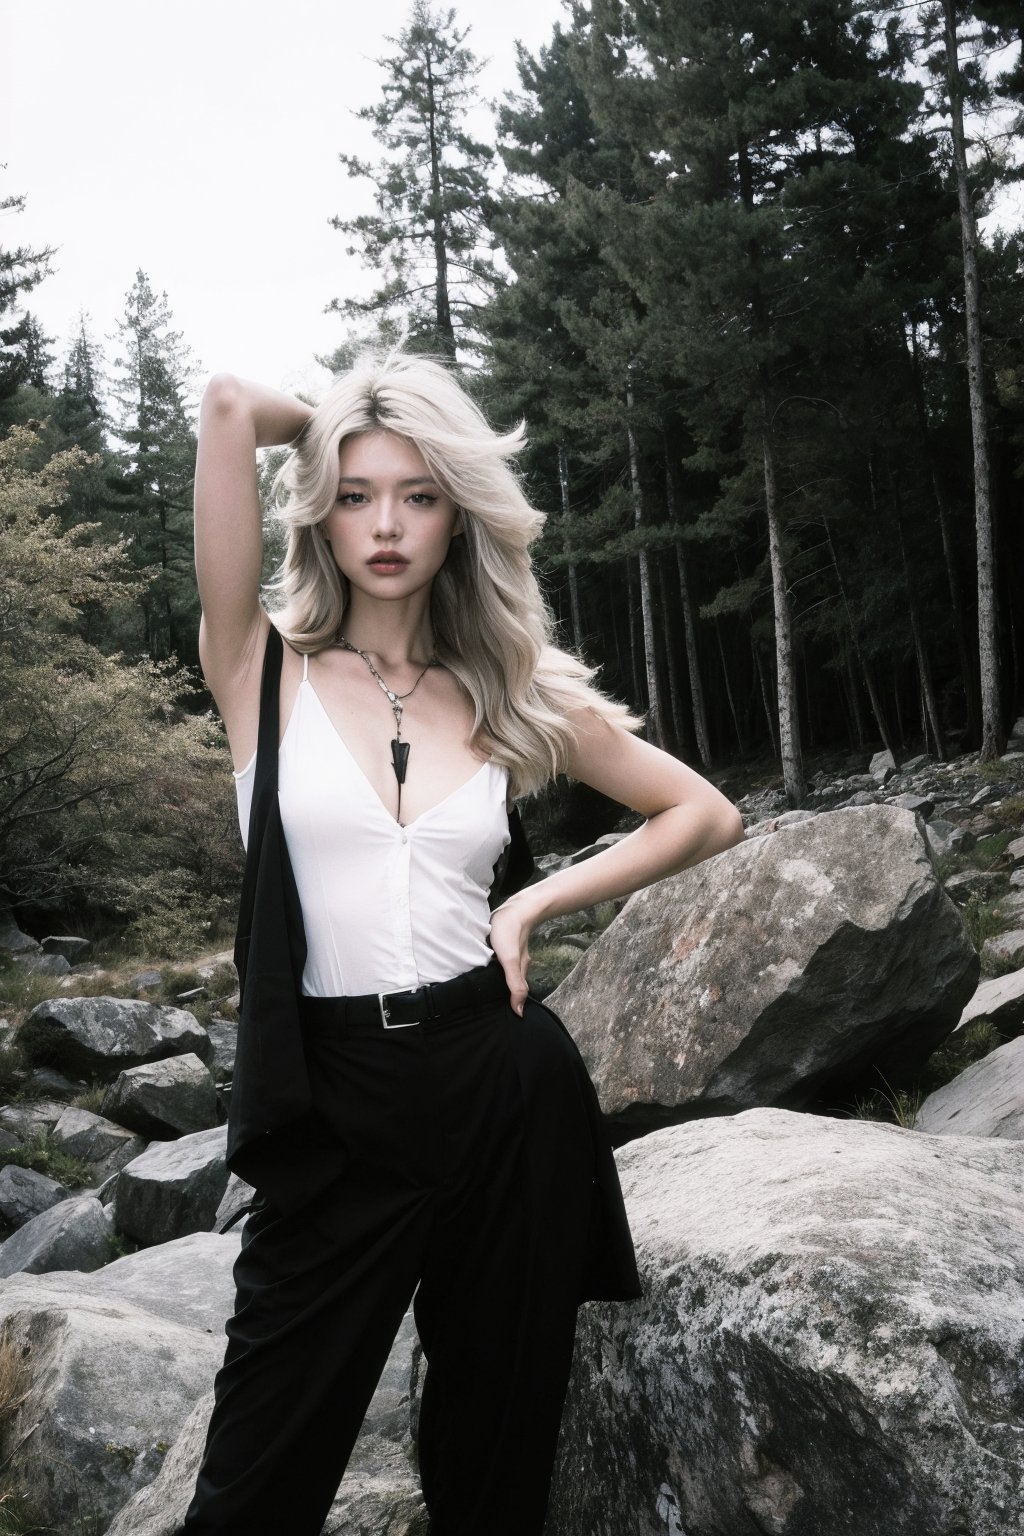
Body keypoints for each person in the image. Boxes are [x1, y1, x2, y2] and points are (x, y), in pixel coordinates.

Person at [183, 344, 744, 1536]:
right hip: (329, 1108)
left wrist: (535, 903)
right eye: (355, 492)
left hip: (500, 1091)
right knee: (252, 1488)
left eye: (419, 493)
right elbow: (231, 404)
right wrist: (348, 416)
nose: (385, 523)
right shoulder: (256, 663)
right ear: (320, 512)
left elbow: (703, 811)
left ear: (457, 517)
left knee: (493, 1464)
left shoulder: (504, 686)